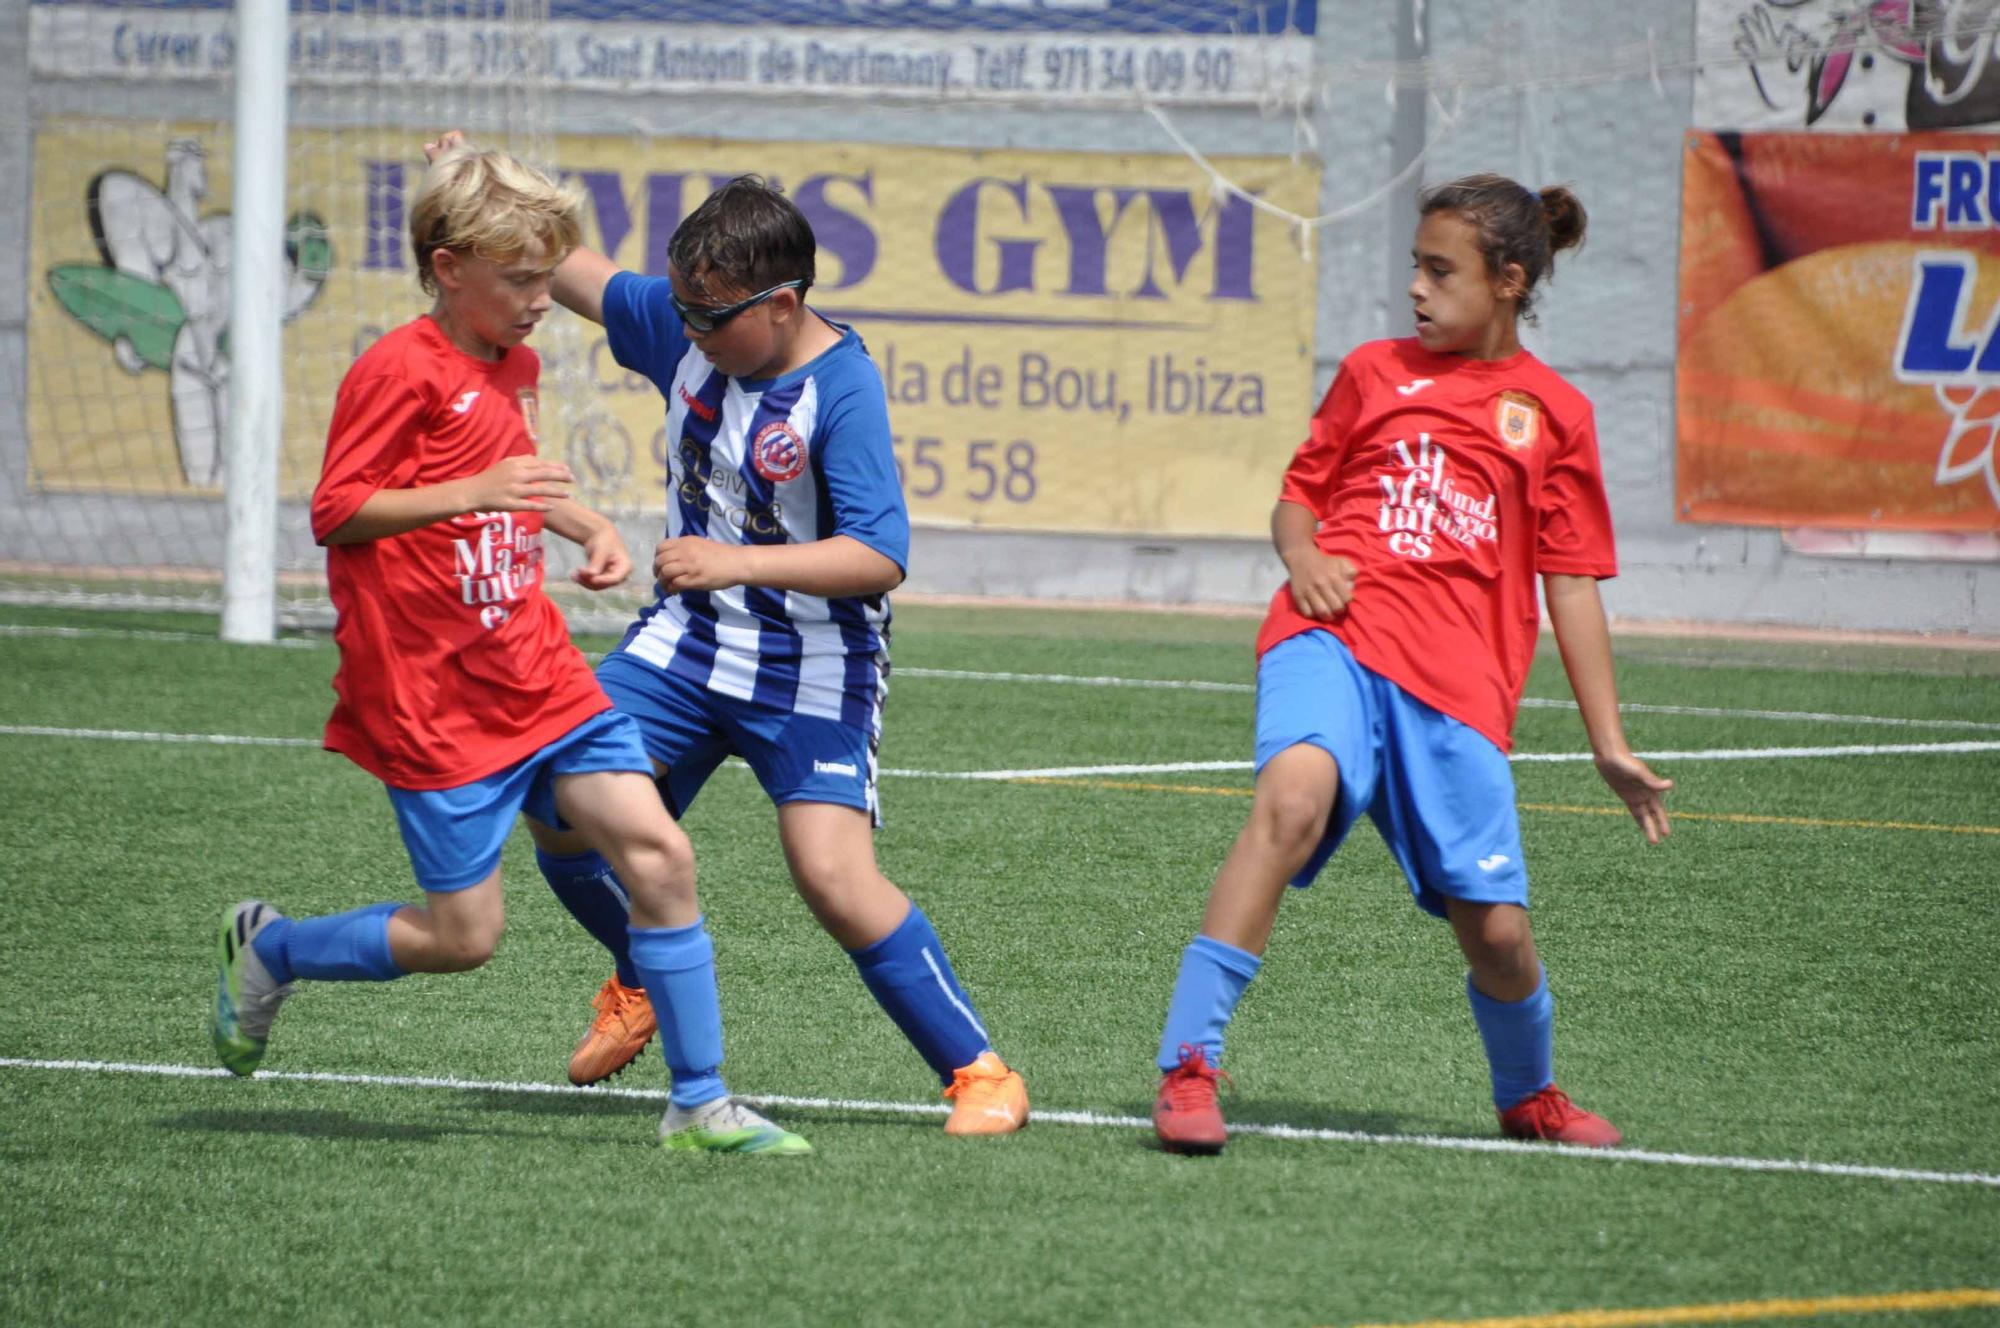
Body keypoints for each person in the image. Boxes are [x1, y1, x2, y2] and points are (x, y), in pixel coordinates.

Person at [209, 142, 810, 1157]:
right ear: (450, 270)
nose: (542, 300)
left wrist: (584, 526)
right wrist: (468, 496)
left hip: (535, 668)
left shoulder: (516, 360)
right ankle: (271, 948)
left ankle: (700, 1102)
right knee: (464, 938)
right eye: (522, 279)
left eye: (549, 275)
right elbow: (337, 509)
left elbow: (513, 473)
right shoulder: (395, 367)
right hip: (431, 697)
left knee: (661, 853)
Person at [419, 134, 1028, 1136]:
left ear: (780, 305)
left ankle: (980, 1072)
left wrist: (733, 560)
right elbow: (563, 266)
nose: (688, 330)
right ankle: (641, 967)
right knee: (553, 796)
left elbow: (878, 554)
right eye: (684, 311)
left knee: (832, 877)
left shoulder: (841, 391)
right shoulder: (691, 319)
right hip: (686, 646)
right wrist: (475, 177)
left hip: (813, 668)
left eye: (710, 316)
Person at [1150, 174, 1672, 1155]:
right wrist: (1300, 555)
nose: (1417, 291)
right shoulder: (1371, 372)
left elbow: (1569, 582)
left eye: (1441, 272)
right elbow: (1297, 499)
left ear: (1508, 281)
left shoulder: (1553, 412)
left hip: (1456, 690)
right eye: (1413, 270)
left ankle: (1528, 1095)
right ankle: (1187, 1066)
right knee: (1290, 802)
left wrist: (1608, 741)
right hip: (1333, 636)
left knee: (1498, 935)